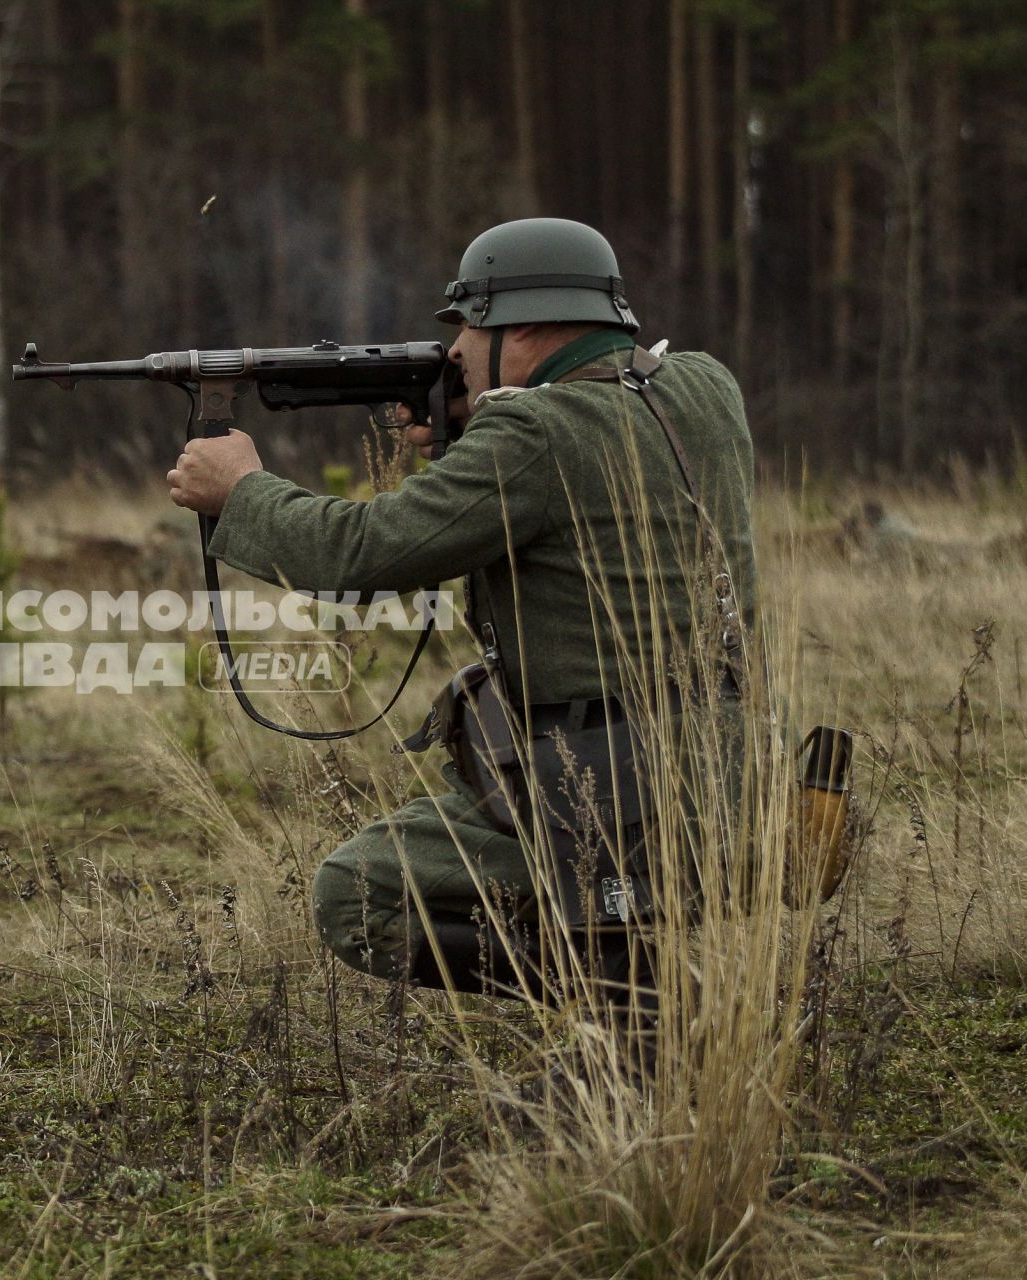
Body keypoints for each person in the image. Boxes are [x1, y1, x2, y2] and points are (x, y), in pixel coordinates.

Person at [167, 217, 758, 1022]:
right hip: (735, 770)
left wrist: (241, 491)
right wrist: (473, 437)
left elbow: (358, 557)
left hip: (613, 787)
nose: (455, 348)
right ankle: (640, 990)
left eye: (472, 324)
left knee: (357, 894)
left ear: (530, 327)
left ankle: (642, 1011)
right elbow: (594, 469)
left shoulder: (532, 434)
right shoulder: (704, 386)